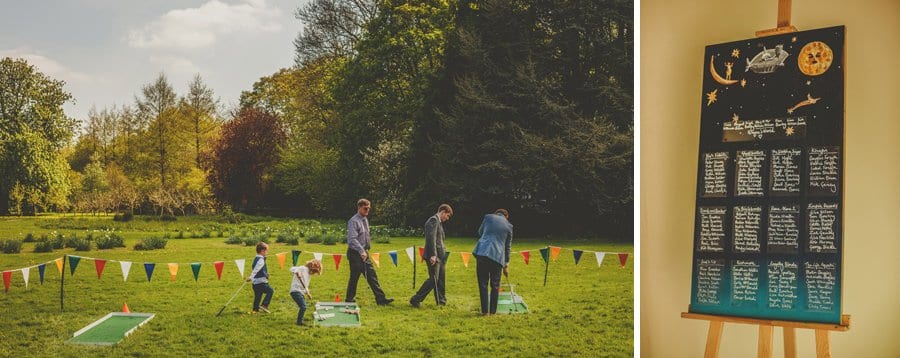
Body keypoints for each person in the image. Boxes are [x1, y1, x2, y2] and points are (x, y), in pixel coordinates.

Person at [345, 198, 394, 305]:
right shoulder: (353, 221)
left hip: (364, 252)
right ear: (359, 207)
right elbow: (352, 239)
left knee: (372, 276)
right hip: (355, 253)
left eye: (369, 208)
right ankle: (349, 300)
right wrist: (361, 250)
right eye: (365, 208)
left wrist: (365, 250)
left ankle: (381, 299)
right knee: (354, 277)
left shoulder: (365, 219)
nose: (367, 210)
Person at [410, 204, 453, 308]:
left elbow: (439, 239)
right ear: (442, 212)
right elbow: (431, 239)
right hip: (433, 255)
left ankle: (441, 301)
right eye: (447, 216)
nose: (447, 218)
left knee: (441, 279)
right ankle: (415, 299)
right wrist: (433, 255)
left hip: (441, 256)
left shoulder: (439, 222)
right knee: (433, 279)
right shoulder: (433, 221)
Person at [472, 209, 513, 315]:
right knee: (495, 285)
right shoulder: (509, 226)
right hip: (497, 256)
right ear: (506, 216)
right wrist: (506, 265)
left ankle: (484, 312)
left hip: (482, 252)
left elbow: (480, 232)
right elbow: (507, 247)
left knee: (483, 284)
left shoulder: (488, 217)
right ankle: (493, 312)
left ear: (496, 214)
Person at [290, 259, 322, 326]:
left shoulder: (309, 274)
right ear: (312, 268)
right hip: (295, 291)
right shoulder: (303, 268)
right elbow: (292, 268)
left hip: (300, 292)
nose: (313, 273)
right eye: (314, 272)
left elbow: (305, 285)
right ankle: (299, 322)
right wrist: (297, 272)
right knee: (303, 306)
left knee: (303, 307)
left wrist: (308, 293)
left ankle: (301, 319)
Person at [247, 242, 274, 313]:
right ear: (262, 251)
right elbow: (256, 269)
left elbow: (258, 269)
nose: (267, 252)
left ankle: (255, 310)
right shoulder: (261, 260)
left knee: (258, 296)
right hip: (261, 282)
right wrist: (251, 277)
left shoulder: (256, 258)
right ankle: (264, 305)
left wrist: (265, 274)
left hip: (255, 283)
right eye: (266, 251)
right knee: (270, 291)